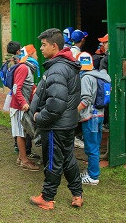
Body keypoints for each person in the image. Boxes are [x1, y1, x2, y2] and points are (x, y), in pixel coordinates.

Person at [29, 28, 83, 210]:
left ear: (54, 46)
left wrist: (39, 117)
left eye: (44, 45)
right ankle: (77, 194)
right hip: (67, 123)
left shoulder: (58, 69)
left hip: (55, 125)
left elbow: (56, 104)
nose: (41, 48)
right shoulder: (67, 65)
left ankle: (47, 197)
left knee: (53, 161)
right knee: (68, 158)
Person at [77, 52, 111, 185]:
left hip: (90, 117)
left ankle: (93, 177)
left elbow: (86, 100)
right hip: (100, 115)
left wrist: (75, 112)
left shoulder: (86, 78)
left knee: (91, 148)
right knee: (95, 146)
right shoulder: (101, 76)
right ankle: (92, 171)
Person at [6, 42, 40, 171]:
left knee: (22, 132)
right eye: (36, 53)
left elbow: (25, 85)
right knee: (21, 133)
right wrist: (24, 103)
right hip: (20, 106)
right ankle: (24, 161)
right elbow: (16, 88)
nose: (37, 55)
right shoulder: (23, 68)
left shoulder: (27, 67)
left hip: (21, 105)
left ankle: (21, 157)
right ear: (30, 54)